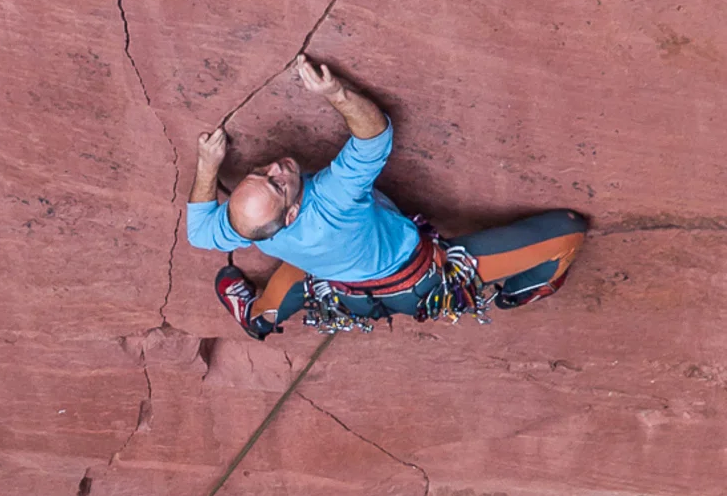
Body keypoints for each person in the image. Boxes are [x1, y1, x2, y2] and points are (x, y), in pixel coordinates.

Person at [187, 55, 587, 339]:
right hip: (424, 282)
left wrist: (208, 165)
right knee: (567, 232)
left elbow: (200, 233)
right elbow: (373, 137)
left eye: (261, 172)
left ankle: (255, 317)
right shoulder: (332, 197)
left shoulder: (248, 225)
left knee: (295, 278)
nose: (275, 167)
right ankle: (525, 288)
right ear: (291, 214)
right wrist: (337, 93)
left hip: (338, 286)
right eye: (276, 182)